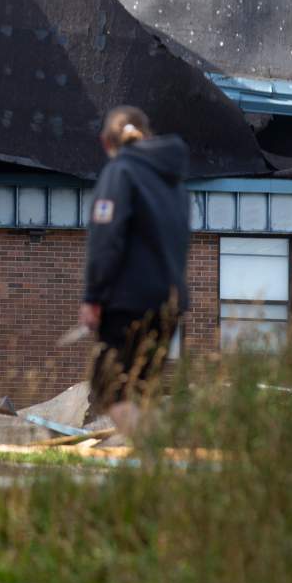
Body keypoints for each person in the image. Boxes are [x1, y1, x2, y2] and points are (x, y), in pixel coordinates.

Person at [79, 106, 190, 438]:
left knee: (108, 386)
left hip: (129, 303)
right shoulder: (174, 184)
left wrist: (94, 297)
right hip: (170, 303)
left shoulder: (120, 172)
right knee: (141, 390)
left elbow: (105, 239)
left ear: (105, 141)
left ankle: (152, 459)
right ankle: (160, 464)